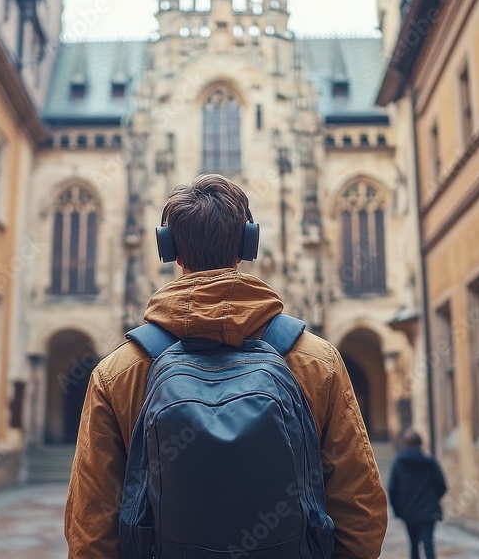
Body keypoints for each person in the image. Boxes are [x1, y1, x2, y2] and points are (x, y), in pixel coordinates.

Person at [65, 174, 388, 558]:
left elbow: (90, 529)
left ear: (170, 250)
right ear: (246, 245)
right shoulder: (318, 361)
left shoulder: (117, 373)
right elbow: (362, 512)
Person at [388, 429, 447, 559]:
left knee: (414, 547)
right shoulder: (430, 462)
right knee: (428, 547)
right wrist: (432, 501)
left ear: (404, 444)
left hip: (409, 512)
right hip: (428, 512)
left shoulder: (399, 463)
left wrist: (398, 511)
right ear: (420, 443)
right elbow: (442, 486)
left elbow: (392, 490)